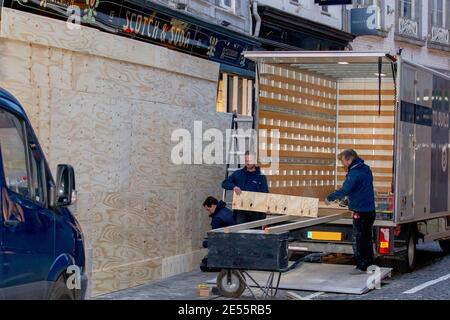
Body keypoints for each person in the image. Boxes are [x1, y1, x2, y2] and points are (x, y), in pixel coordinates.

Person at [325, 149, 376, 275]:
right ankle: (369, 264)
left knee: (358, 240)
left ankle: (361, 266)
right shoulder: (365, 169)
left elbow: (346, 189)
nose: (343, 164)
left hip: (361, 211)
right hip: (369, 209)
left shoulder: (355, 173)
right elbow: (360, 189)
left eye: (343, 161)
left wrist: (330, 197)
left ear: (349, 159)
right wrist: (349, 200)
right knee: (367, 239)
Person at [222, 151, 269, 224]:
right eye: (246, 161)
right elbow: (224, 183)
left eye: (250, 161)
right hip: (241, 211)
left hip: (256, 212)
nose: (248, 163)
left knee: (255, 233)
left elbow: (265, 194)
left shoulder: (261, 177)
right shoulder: (238, 174)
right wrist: (234, 187)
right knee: (240, 232)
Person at [200, 196, 236, 272]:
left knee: (204, 265)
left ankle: (223, 265)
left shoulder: (217, 218)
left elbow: (216, 240)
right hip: (233, 243)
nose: (208, 212)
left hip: (227, 247)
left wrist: (205, 243)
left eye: (208, 209)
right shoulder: (226, 210)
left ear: (213, 205)